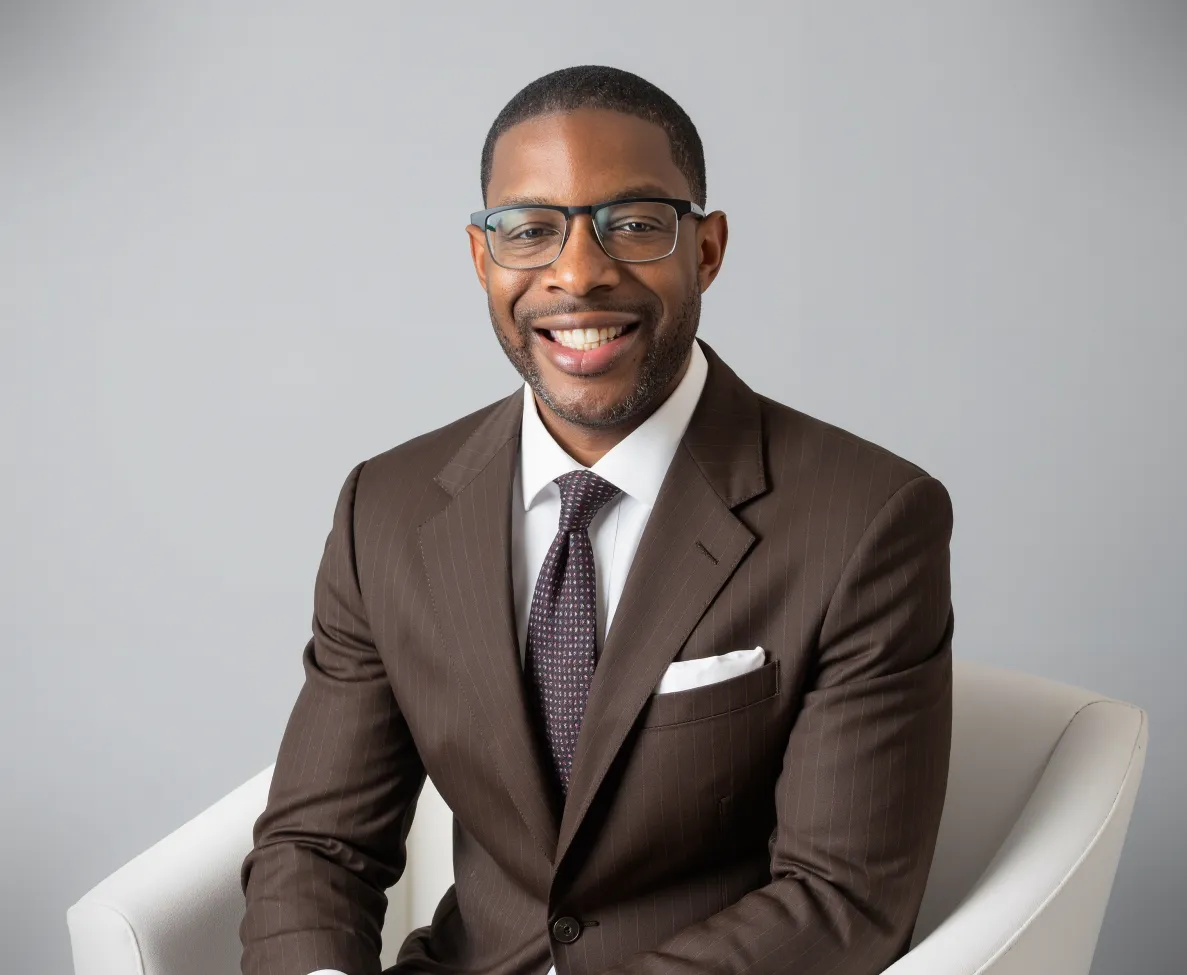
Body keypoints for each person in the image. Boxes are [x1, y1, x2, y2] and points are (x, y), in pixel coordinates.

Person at [239, 64, 955, 975]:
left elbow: (840, 899)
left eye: (636, 223)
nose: (578, 273)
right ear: (482, 258)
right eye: (530, 230)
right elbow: (318, 844)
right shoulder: (383, 509)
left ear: (706, 250)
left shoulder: (865, 520)